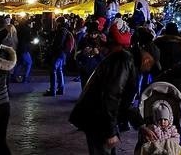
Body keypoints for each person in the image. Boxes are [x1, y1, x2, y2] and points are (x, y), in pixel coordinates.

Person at [69, 17, 137, 155]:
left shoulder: (116, 57)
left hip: (99, 118)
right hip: (98, 119)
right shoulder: (122, 59)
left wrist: (139, 123)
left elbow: (121, 97)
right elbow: (112, 95)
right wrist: (111, 130)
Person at [45, 17, 74, 96]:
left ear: (59, 22)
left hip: (58, 53)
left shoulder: (61, 30)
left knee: (53, 70)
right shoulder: (65, 29)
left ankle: (52, 90)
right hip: (62, 53)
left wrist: (53, 49)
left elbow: (58, 43)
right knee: (59, 70)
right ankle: (60, 89)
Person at [76, 20, 107, 90]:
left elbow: (105, 59)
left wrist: (98, 53)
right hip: (85, 68)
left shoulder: (102, 42)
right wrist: (83, 53)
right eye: (91, 33)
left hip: (97, 69)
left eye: (94, 33)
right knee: (85, 87)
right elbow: (77, 55)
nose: (92, 35)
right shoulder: (84, 40)